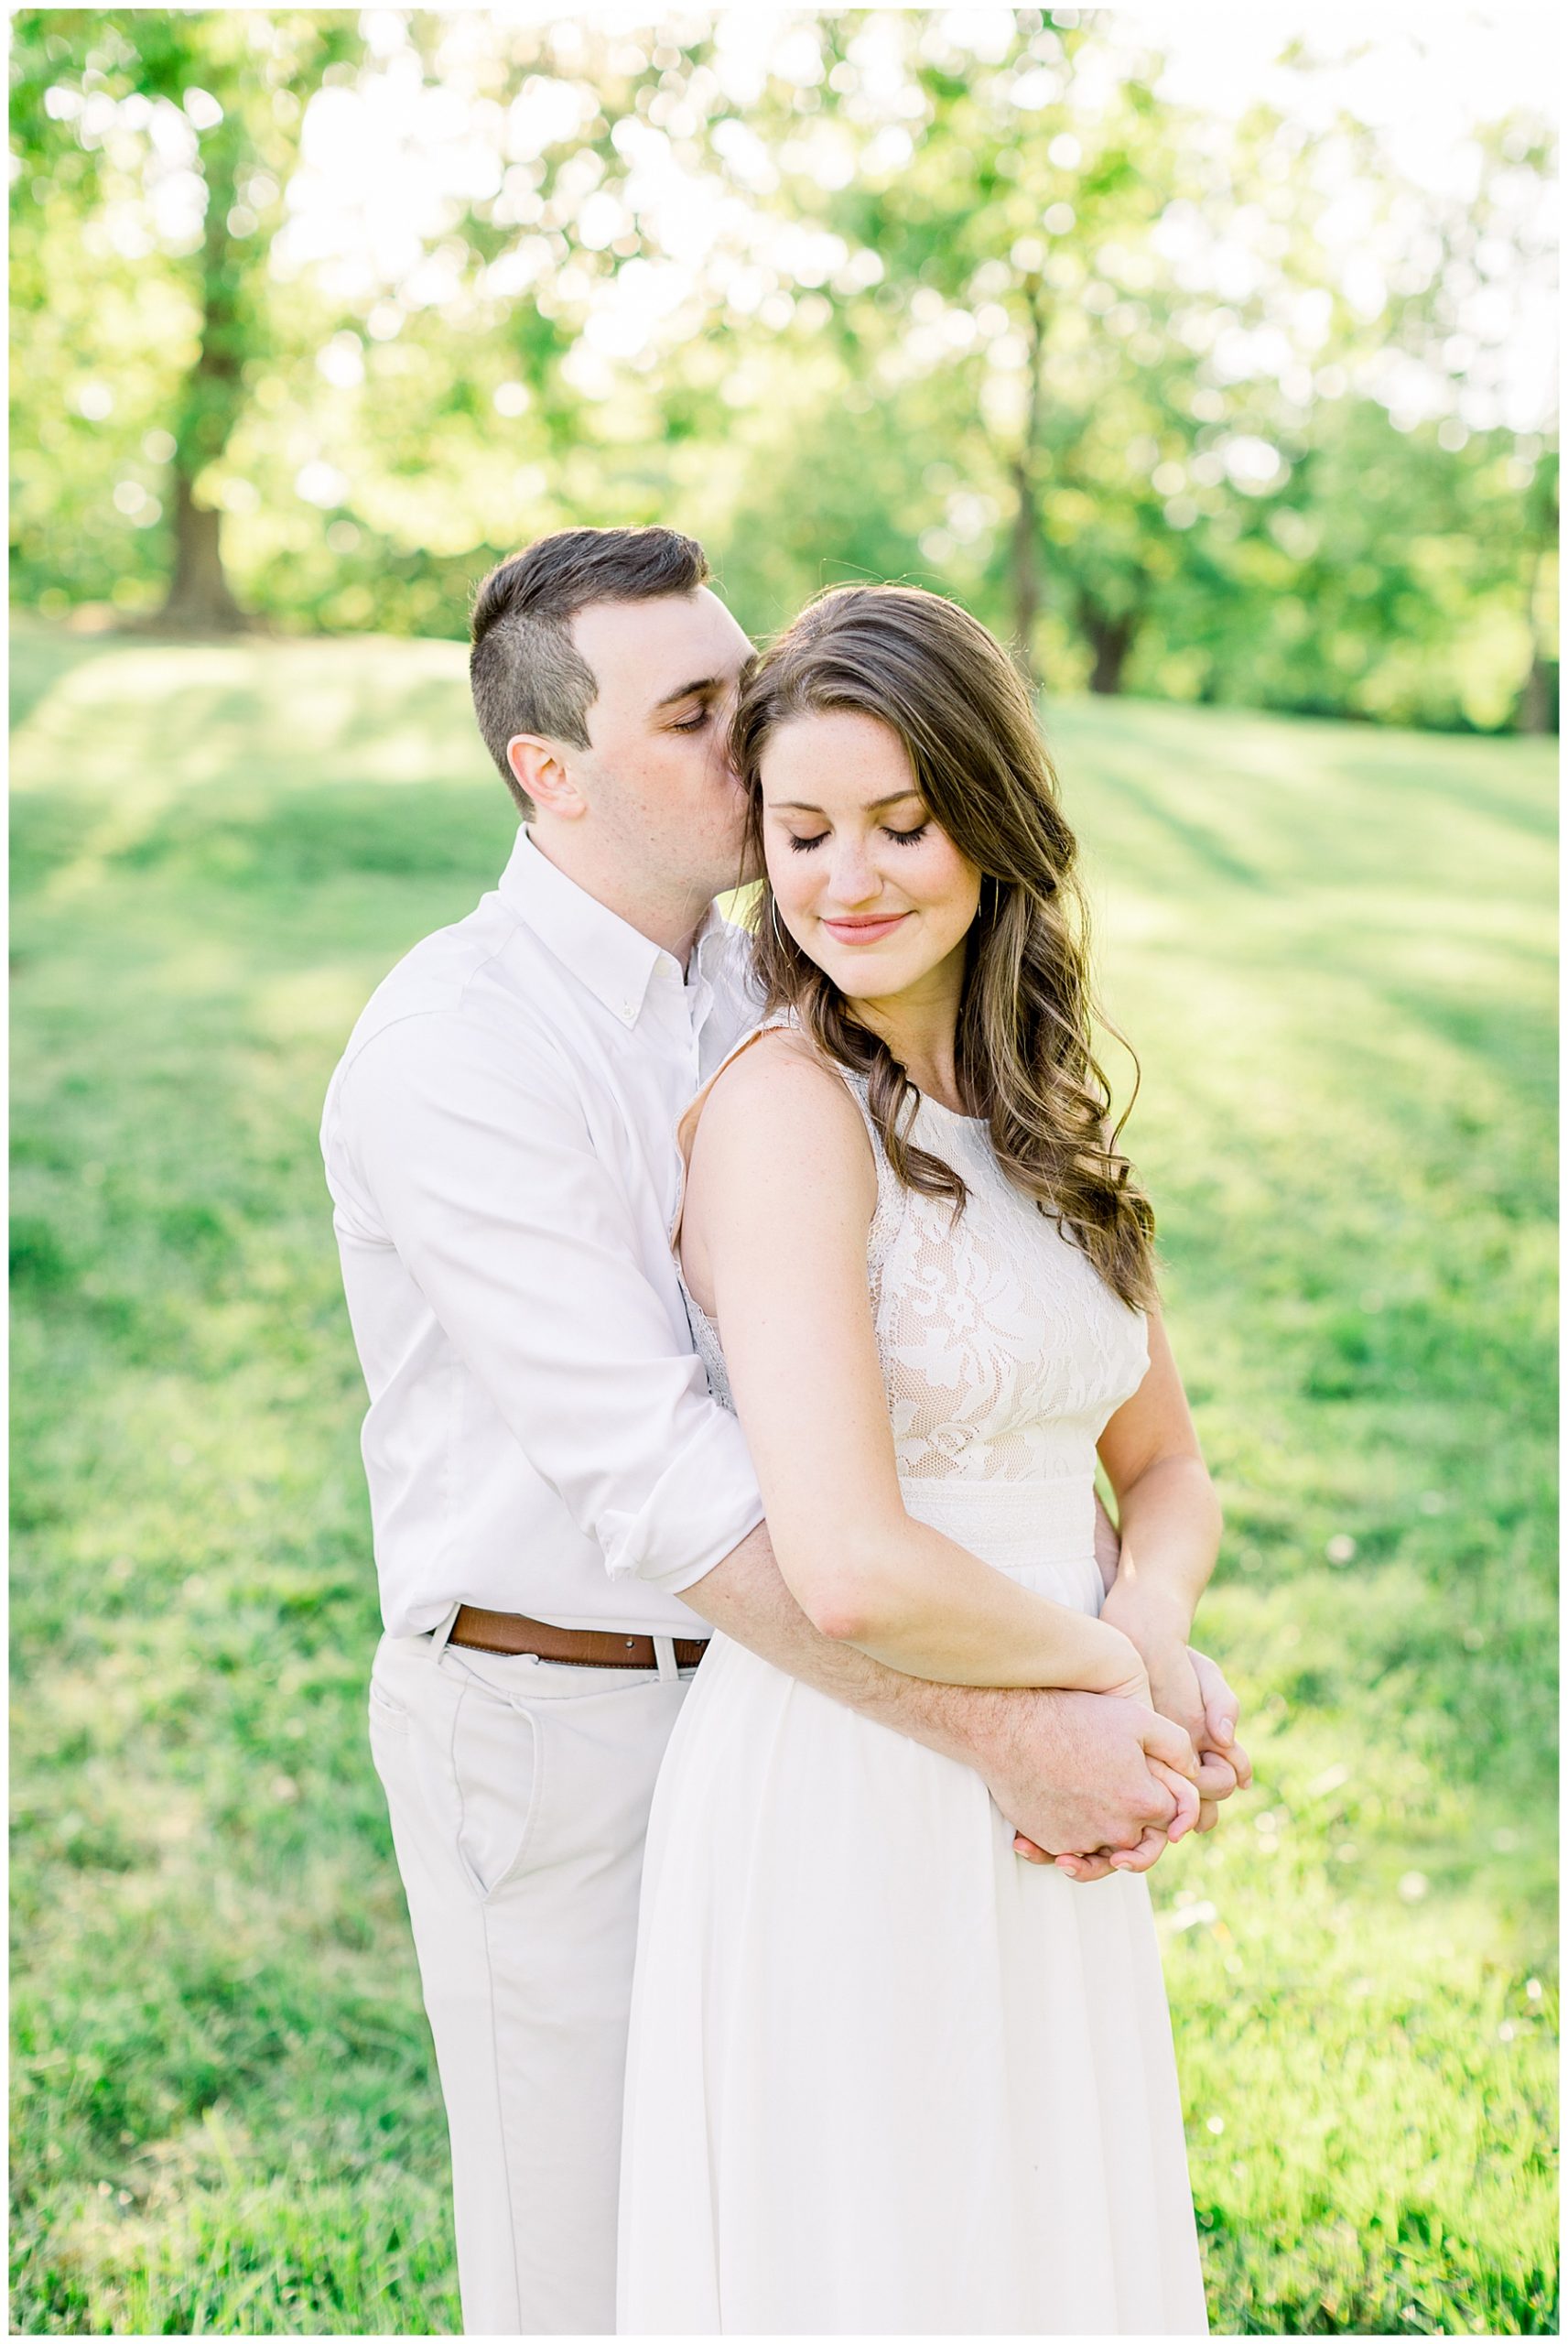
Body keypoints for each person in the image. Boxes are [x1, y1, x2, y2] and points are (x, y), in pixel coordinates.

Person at [320, 528, 1248, 2336]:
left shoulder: (786, 981)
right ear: (550, 772)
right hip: (569, 1703)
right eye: (702, 716)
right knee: (600, 2278)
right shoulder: (457, 1049)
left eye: (752, 693)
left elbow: (1096, 1405)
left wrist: (1101, 1663)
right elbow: (677, 1485)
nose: (765, 760)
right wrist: (1053, 1705)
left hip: (824, 1700)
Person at [618, 581, 1227, 2335]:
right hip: (855, 1784)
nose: (847, 879)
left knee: (1037, 2250)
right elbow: (849, 1560)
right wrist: (1121, 1677)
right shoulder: (785, 1116)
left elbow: (1166, 1464)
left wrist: (1159, 1628)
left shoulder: (1042, 1118)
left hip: (1060, 1776)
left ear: (994, 821)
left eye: (901, 822)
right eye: (800, 833)